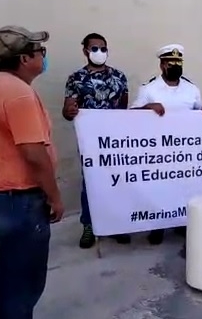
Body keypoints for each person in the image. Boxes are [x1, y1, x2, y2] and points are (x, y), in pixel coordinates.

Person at [0, 25, 65, 319]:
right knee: (26, 280)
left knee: (11, 273)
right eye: (41, 52)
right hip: (23, 200)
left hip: (1, 196)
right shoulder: (20, 95)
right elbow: (34, 154)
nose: (43, 57)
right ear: (25, 59)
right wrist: (55, 196)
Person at [131, 43, 202, 245]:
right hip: (157, 150)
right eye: (170, 63)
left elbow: (199, 111)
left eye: (178, 62)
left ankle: (181, 223)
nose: (174, 66)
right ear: (161, 65)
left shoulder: (191, 89)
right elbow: (130, 116)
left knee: (184, 187)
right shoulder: (148, 89)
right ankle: (157, 226)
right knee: (159, 187)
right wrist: (148, 107)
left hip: (186, 150)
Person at [61, 33, 130, 249]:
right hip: (90, 142)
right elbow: (68, 109)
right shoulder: (76, 79)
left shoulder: (119, 77)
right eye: (94, 48)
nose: (99, 52)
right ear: (85, 51)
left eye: (103, 48)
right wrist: (69, 111)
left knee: (117, 181)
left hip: (115, 140)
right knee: (90, 183)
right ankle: (89, 225)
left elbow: (123, 109)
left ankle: (117, 224)